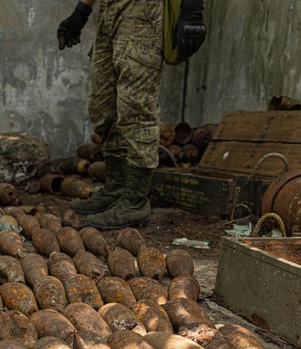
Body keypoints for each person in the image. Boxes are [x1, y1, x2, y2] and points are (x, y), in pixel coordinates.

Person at [57, 0, 205, 229]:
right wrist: (82, 11)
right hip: (108, 12)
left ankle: (135, 202)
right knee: (102, 108)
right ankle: (116, 190)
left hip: (142, 12)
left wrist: (192, 9)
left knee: (136, 109)